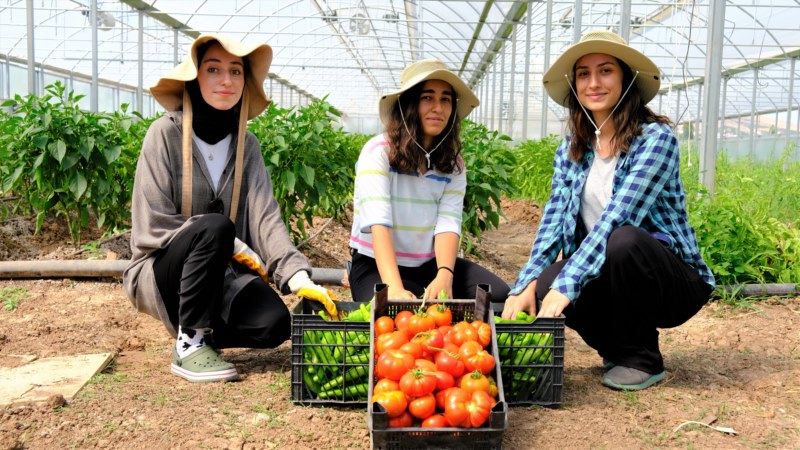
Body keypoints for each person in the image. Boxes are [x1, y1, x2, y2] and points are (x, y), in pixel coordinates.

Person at [502, 30, 715, 390]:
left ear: (625, 80)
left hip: (671, 280)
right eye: (583, 74)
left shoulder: (654, 140)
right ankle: (619, 348)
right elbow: (553, 221)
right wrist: (526, 284)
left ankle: (644, 358)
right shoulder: (573, 147)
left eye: (605, 71)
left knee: (624, 240)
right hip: (612, 270)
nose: (593, 83)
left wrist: (568, 286)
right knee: (548, 281)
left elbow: (621, 215)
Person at [123, 33, 337, 383]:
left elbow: (266, 217)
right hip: (162, 269)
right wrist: (230, 242)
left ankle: (203, 332)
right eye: (213, 69)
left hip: (220, 274)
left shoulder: (246, 145)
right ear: (195, 78)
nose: (227, 80)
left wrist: (298, 277)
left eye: (236, 71)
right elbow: (153, 225)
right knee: (216, 227)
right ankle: (189, 343)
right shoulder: (163, 135)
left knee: (274, 325)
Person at [348, 59, 511, 303]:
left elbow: (448, 221)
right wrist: (393, 287)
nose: (438, 107)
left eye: (445, 99)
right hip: (375, 264)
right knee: (407, 307)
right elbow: (379, 222)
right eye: (428, 97)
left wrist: (445, 274)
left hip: (427, 263)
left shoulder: (453, 164)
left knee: (496, 296)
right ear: (409, 105)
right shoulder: (378, 152)